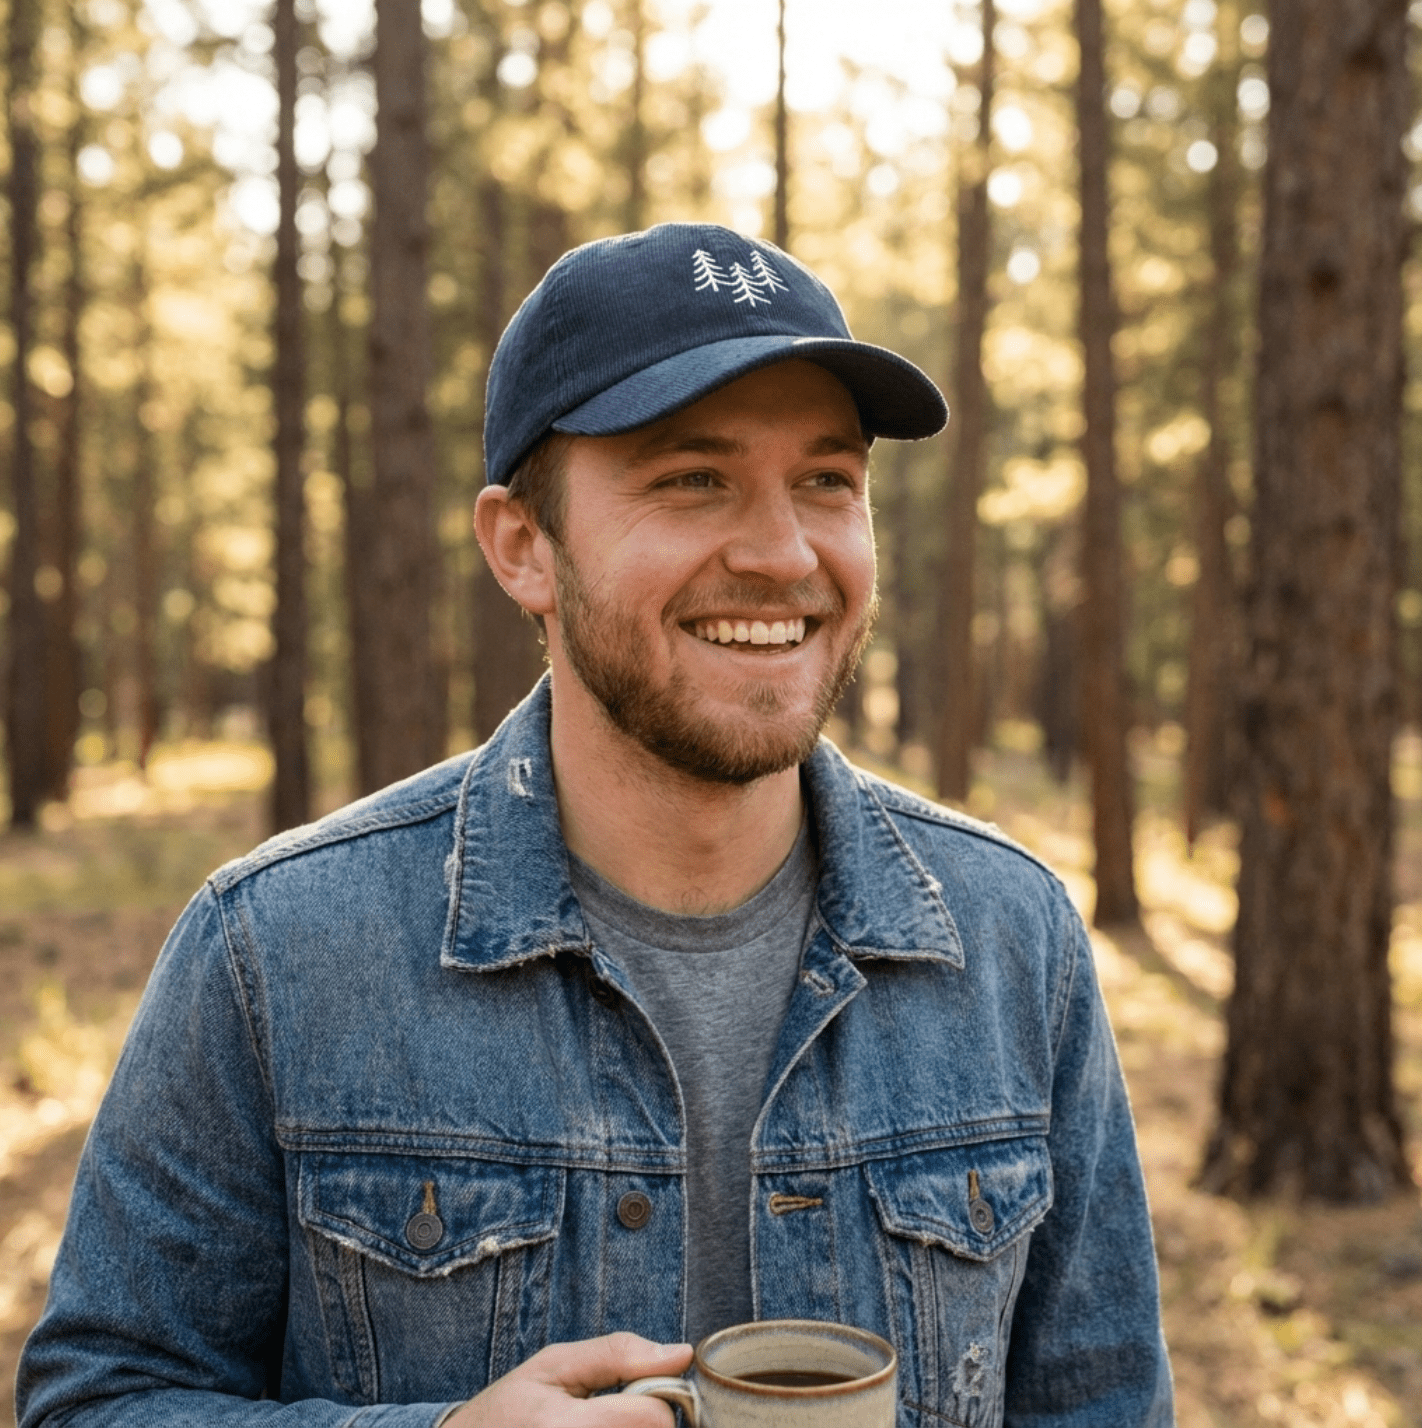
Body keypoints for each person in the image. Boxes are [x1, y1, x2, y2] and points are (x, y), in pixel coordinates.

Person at [18, 223, 1173, 1428]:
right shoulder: (277, 952)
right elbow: (96, 1402)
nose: (783, 553)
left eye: (827, 481)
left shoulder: (1014, 939)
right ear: (524, 547)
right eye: (693, 479)